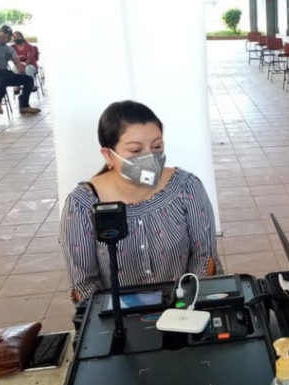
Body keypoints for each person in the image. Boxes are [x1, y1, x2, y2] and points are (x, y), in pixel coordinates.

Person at [60, 100, 222, 303]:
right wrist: (118, 313)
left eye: (157, 146)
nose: (150, 158)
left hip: (184, 308)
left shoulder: (186, 188)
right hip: (119, 314)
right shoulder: (82, 206)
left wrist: (185, 305)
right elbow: (84, 284)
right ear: (108, 155)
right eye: (136, 151)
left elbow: (205, 257)